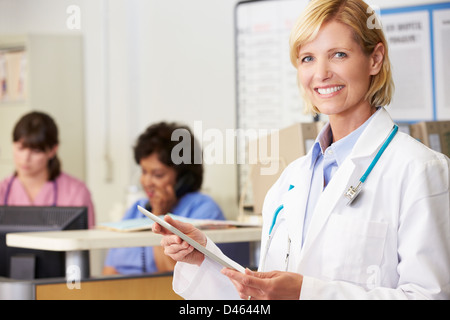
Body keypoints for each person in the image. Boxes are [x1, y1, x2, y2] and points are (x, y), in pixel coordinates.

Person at [153, 0, 450, 300]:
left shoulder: (420, 170)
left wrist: (307, 293)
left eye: (338, 55)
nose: (321, 73)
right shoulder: (289, 180)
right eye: (308, 58)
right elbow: (261, 295)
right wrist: (203, 256)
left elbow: (430, 296)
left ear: (375, 59)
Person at [103, 122, 236, 275]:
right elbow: (108, 271)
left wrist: (160, 215)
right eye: (144, 171)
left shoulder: (204, 209)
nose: (146, 182)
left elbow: (175, 279)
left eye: (158, 175)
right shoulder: (136, 209)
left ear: (183, 178)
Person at [0, 111, 96, 228]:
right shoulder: (2, 191)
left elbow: (85, 241)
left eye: (36, 151)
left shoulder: (76, 192)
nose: (25, 158)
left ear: (52, 151)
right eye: (20, 148)